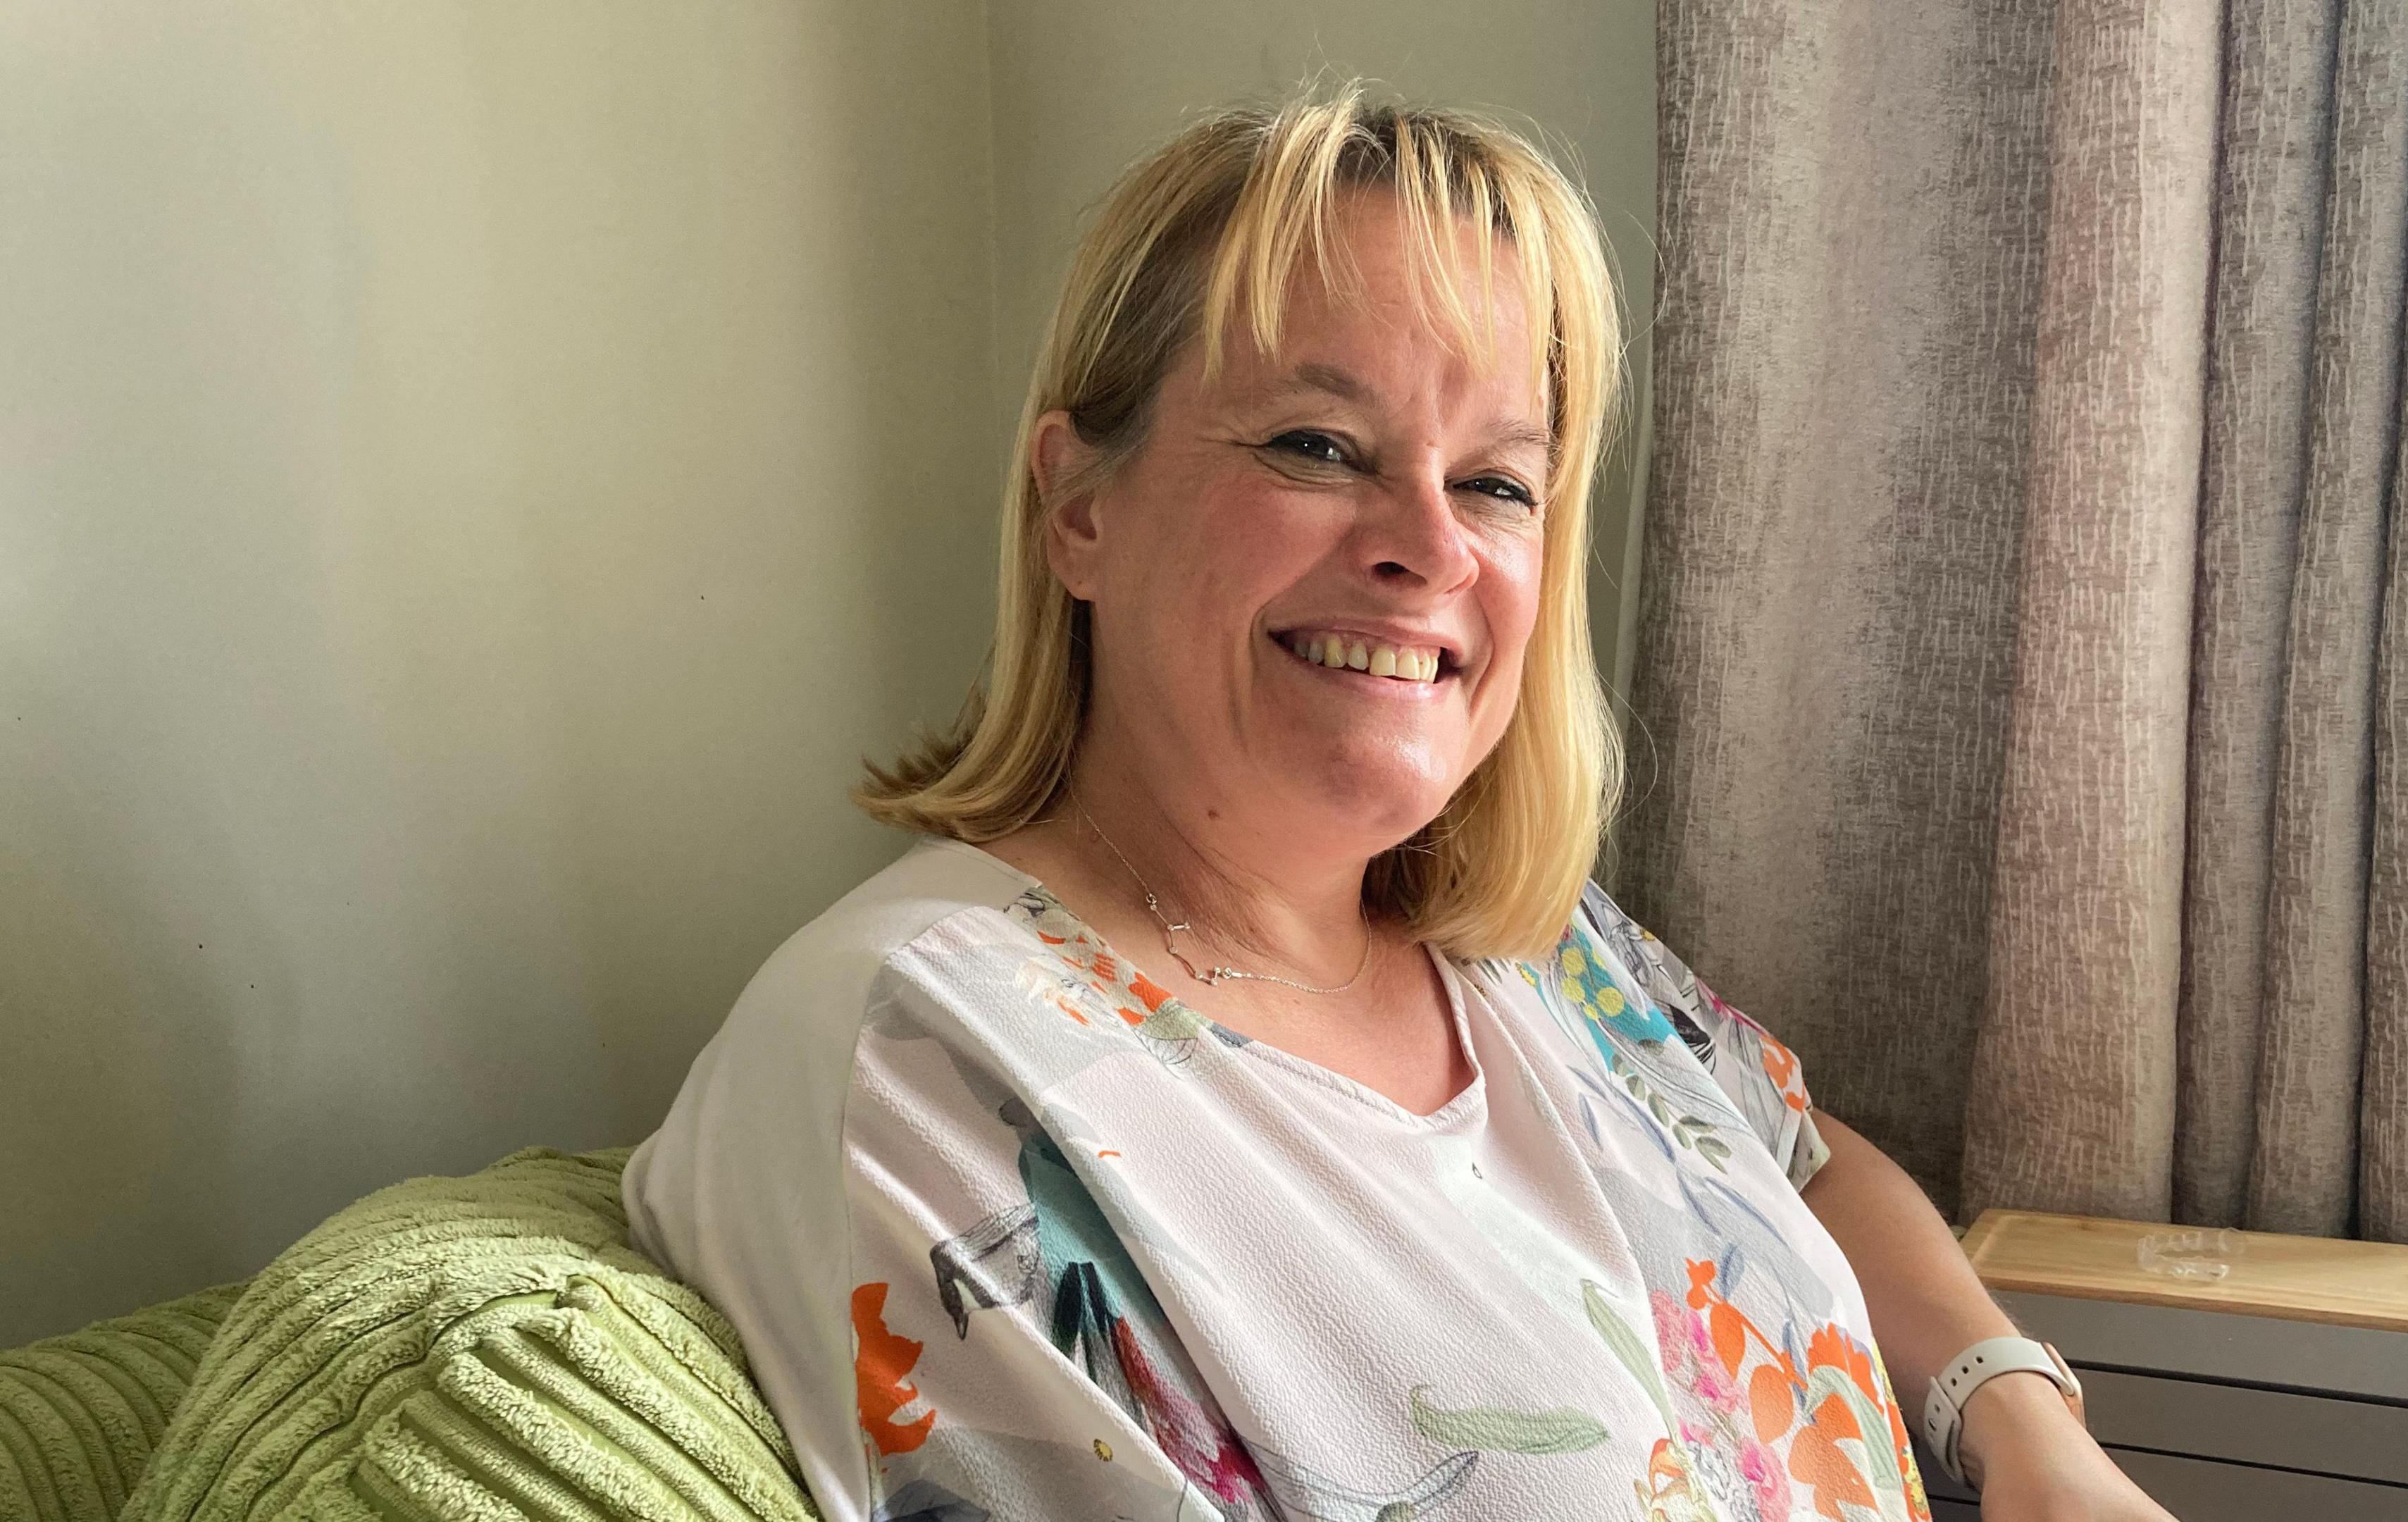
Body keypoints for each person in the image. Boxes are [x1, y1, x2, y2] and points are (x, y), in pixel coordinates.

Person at [625, 87, 2178, 1522]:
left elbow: (1798, 1155)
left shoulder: (1538, 945)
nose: (1429, 546)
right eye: (1319, 446)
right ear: (1079, 507)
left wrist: (2024, 1424)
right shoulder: (923, 1064)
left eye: (1497, 482)